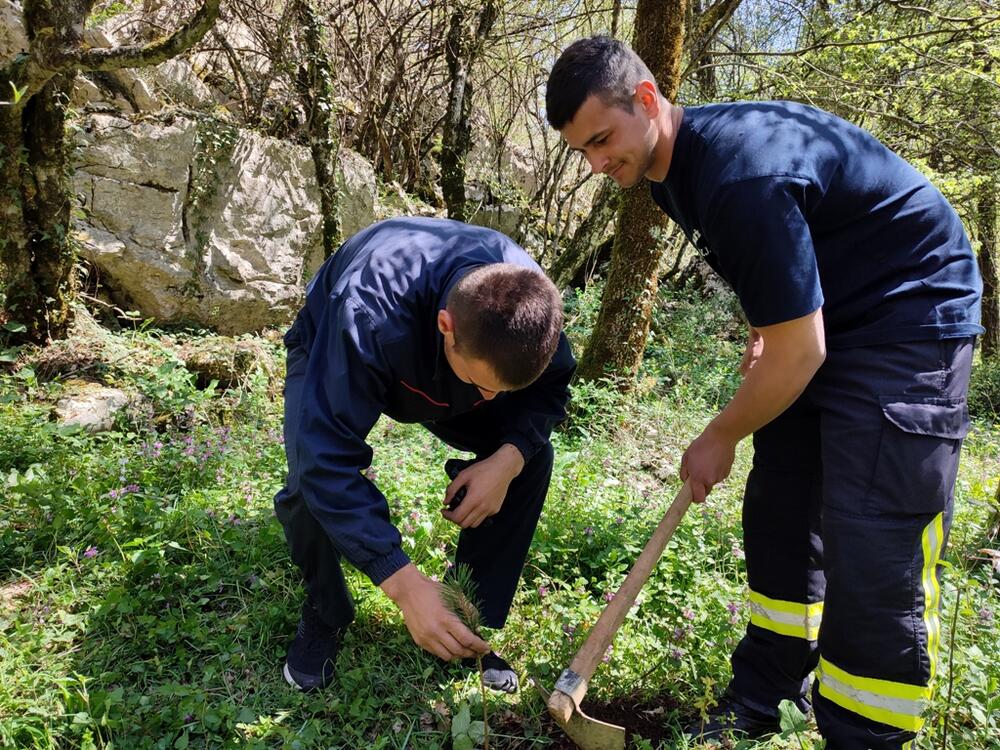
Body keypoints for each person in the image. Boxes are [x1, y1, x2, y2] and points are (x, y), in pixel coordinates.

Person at [546, 35, 983, 749]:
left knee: (871, 535)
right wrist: (766, 325)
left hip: (910, 315)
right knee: (780, 510)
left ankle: (864, 734)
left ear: (649, 99)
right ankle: (765, 697)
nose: (597, 164)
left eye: (602, 139)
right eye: (581, 152)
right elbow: (779, 262)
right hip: (830, 314)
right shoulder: (667, 170)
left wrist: (721, 432)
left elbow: (801, 348)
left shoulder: (736, 172)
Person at [274, 216, 575, 694]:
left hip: (443, 358)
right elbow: (324, 457)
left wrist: (508, 458)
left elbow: (547, 394)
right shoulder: (366, 312)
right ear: (445, 327)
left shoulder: (534, 310)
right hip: (336, 345)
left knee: (531, 456)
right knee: (307, 486)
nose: (491, 401)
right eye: (482, 385)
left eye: (504, 390)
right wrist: (404, 584)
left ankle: (463, 616)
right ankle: (326, 610)